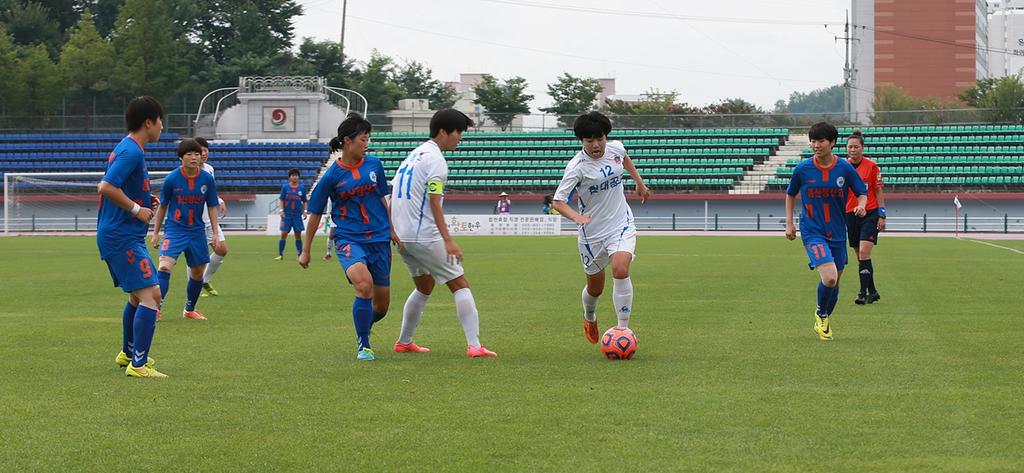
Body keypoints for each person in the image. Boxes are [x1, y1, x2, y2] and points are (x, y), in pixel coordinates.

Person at [390, 109, 497, 357]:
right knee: (459, 283)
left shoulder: (413, 155)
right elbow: (434, 202)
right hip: (423, 235)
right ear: (443, 132)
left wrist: (393, 230)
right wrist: (448, 240)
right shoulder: (436, 160)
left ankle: (404, 341)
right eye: (458, 132)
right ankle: (474, 345)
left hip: (403, 237)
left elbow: (391, 195)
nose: (460, 138)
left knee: (424, 285)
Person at [299, 113, 396, 361]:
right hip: (349, 238)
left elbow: (384, 199)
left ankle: (365, 325)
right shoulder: (331, 176)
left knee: (382, 307)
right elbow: (314, 214)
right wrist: (306, 250)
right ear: (347, 141)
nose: (367, 143)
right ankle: (363, 344)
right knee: (363, 285)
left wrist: (393, 229)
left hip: (379, 239)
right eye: (363, 138)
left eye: (368, 139)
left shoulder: (375, 165)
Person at [551, 111, 652, 345]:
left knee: (620, 269)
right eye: (590, 141)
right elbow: (558, 201)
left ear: (606, 137)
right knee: (595, 289)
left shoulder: (616, 148)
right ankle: (590, 316)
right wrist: (576, 217)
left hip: (621, 223)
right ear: (582, 141)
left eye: (600, 139)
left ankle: (622, 330)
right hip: (591, 235)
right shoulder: (577, 167)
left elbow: (625, 158)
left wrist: (640, 183)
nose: (596, 145)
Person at [98, 96, 166, 378]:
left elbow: (119, 187)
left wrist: (141, 198)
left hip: (123, 235)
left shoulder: (129, 149)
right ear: (148, 122)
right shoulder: (132, 152)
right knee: (152, 296)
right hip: (121, 237)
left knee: (142, 297)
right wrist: (137, 208)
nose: (162, 126)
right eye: (160, 121)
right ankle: (138, 364)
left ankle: (128, 352)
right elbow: (106, 186)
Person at [785, 122, 867, 341]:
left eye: (820, 141)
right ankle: (820, 313)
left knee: (836, 283)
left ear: (832, 142)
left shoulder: (844, 168)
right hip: (812, 231)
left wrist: (861, 205)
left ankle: (824, 318)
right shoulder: (803, 169)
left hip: (838, 232)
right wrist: (790, 224)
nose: (815, 145)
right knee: (829, 278)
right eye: (812, 141)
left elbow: (861, 192)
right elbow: (790, 194)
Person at [151, 139, 223, 322]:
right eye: (189, 154)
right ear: (181, 157)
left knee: (198, 273)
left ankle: (189, 310)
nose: (194, 157)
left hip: (197, 231)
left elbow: (213, 206)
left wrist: (215, 233)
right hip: (175, 229)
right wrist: (156, 232)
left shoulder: (207, 179)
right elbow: (163, 206)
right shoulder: (172, 179)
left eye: (197, 154)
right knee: (165, 266)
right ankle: (156, 309)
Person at [844, 130, 886, 305]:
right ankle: (873, 291)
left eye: (856, 146)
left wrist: (882, 215)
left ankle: (862, 293)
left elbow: (877, 191)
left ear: (862, 148)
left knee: (863, 252)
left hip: (869, 213)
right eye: (850, 147)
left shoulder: (872, 166)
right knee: (860, 257)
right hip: (850, 214)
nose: (853, 150)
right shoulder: (842, 166)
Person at [192, 137, 228, 297]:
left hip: (209, 219)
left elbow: (210, 191)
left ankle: (204, 280)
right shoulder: (189, 171)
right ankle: (194, 287)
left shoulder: (209, 169)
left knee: (222, 250)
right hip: (195, 221)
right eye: (201, 150)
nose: (204, 153)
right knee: (196, 257)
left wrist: (219, 200)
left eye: (206, 149)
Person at [275, 168, 307, 260]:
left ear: (298, 177)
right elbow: (281, 199)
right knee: (284, 233)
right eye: (293, 175)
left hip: (297, 215)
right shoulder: (285, 187)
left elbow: (304, 201)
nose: (295, 177)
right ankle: (280, 255)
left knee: (298, 234)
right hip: (287, 215)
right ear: (289, 177)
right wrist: (281, 210)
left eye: (296, 175)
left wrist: (305, 211)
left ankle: (299, 255)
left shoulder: (301, 189)